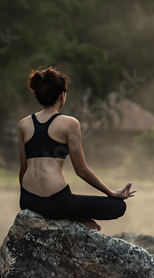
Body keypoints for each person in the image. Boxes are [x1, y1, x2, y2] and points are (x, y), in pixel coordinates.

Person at [18, 67, 136, 230]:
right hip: (56, 202)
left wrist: (27, 199)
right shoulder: (70, 123)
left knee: (71, 203)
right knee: (118, 207)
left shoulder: (23, 124)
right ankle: (75, 218)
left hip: (27, 200)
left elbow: (23, 170)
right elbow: (81, 170)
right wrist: (111, 193)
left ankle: (74, 216)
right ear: (62, 95)